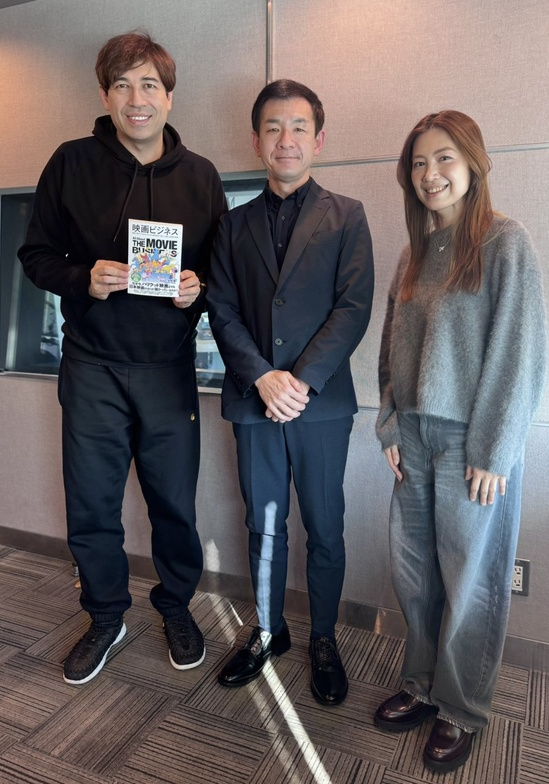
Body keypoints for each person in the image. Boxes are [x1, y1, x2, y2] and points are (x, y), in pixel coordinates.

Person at [18, 32, 226, 685]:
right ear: (105, 95)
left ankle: (176, 607)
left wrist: (198, 288)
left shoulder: (200, 177)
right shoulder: (70, 163)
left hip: (167, 367)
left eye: (149, 85)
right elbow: (35, 256)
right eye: (123, 85)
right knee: (92, 501)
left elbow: (222, 273)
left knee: (174, 503)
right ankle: (106, 615)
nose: (137, 99)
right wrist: (83, 278)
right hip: (92, 365)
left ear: (170, 97)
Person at [374, 110, 547, 771]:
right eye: (419, 162)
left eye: (444, 158)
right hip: (414, 437)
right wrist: (390, 424)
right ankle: (421, 685)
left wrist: (494, 450)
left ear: (473, 163)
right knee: (415, 575)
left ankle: (461, 707)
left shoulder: (505, 243)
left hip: (472, 442)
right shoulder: (412, 255)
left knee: (471, 580)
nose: (431, 174)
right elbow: (391, 350)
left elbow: (519, 353)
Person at [207, 79, 374, 706]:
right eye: (273, 127)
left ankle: (323, 637)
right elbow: (222, 310)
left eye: (299, 127)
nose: (286, 139)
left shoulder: (348, 215)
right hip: (254, 402)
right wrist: (262, 376)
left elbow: (353, 308)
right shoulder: (231, 225)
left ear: (318, 140)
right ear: (256, 140)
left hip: (320, 404)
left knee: (325, 525)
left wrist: (299, 380)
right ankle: (268, 630)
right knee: (264, 524)